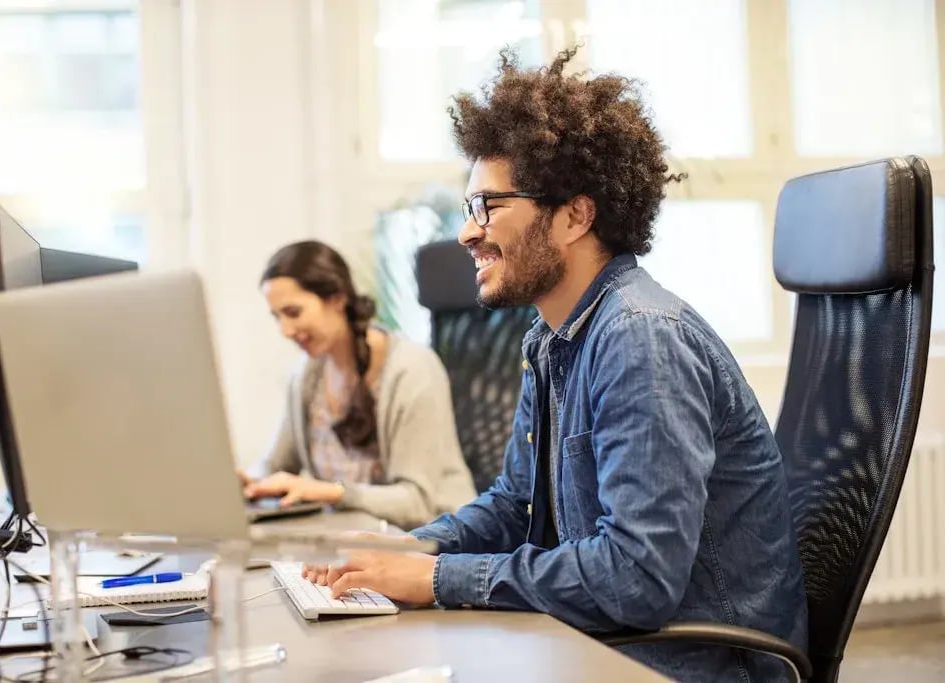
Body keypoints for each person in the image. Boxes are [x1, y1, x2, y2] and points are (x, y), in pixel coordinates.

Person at [302, 48, 808, 681]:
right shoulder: (552, 337)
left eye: (489, 205)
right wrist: (412, 547)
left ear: (574, 215)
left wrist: (434, 577)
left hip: (693, 663)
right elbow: (518, 505)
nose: (467, 231)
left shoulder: (641, 340)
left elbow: (637, 577)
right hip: (614, 644)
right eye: (468, 208)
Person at [239, 240, 476, 531]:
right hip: (351, 544)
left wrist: (332, 492)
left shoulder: (411, 370)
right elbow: (275, 464)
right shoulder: (305, 375)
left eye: (294, 312)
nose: (285, 331)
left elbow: (417, 503)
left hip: (432, 543)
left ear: (337, 299)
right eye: (277, 317)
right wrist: (250, 484)